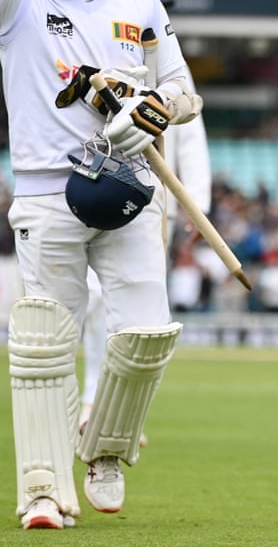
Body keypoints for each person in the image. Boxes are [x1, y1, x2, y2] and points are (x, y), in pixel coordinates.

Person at [0, 0, 203, 529]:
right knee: (46, 345)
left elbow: (182, 88)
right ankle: (41, 487)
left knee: (147, 331)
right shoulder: (16, 1)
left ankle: (107, 450)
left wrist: (158, 110)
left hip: (126, 189)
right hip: (46, 192)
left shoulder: (140, 1)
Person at [80, 112, 211, 441]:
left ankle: (121, 412)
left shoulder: (167, 64)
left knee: (143, 313)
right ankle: (91, 400)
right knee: (93, 298)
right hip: (88, 184)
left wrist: (197, 203)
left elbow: (191, 134)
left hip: (149, 198)